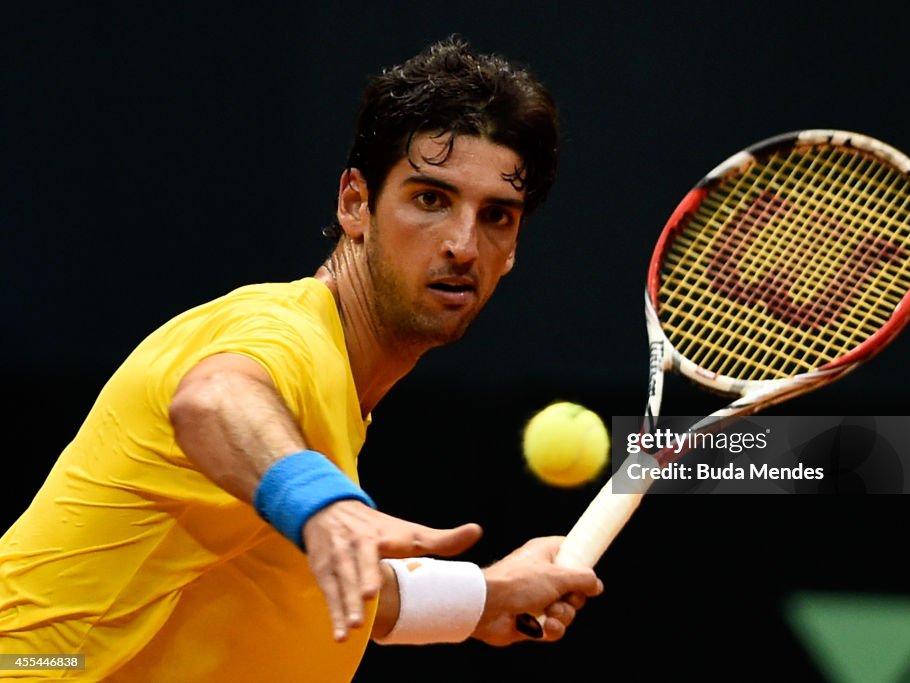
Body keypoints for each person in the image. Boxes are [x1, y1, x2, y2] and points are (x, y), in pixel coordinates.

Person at [0, 36, 602, 681]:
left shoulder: (340, 388)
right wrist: (324, 507)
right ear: (354, 203)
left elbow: (307, 581)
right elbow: (212, 399)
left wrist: (483, 598)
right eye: (430, 199)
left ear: (512, 249)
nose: (462, 243)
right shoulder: (285, 339)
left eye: (497, 216)